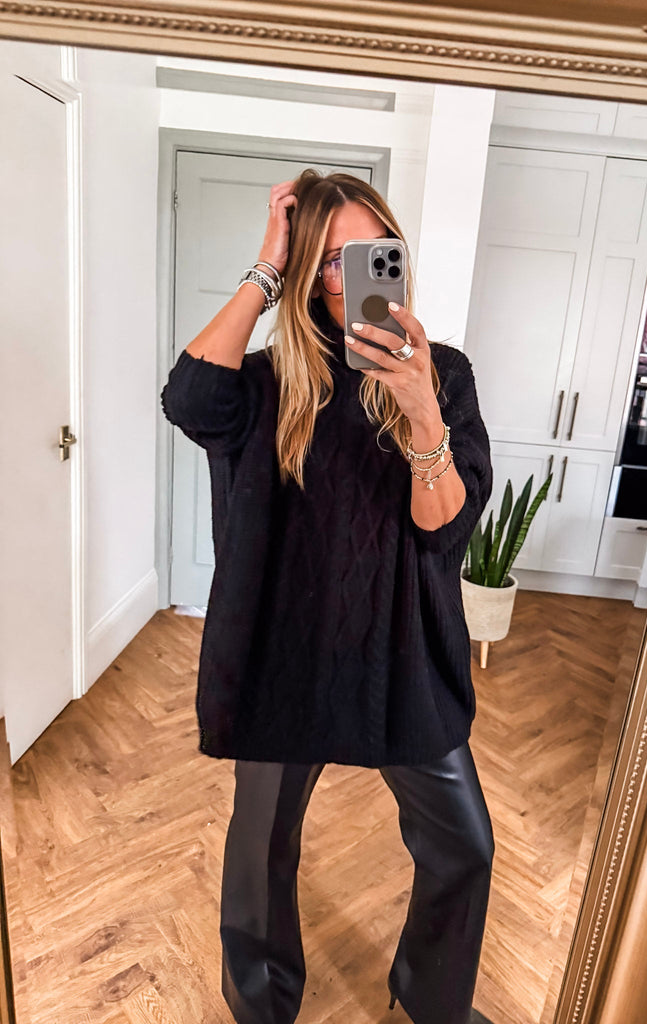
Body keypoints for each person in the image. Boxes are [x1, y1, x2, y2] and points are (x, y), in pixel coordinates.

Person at [160, 169, 494, 1024]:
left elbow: (444, 531)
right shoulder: (268, 380)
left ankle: (431, 1001)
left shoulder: (445, 375)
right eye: (333, 258)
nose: (354, 273)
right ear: (311, 273)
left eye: (374, 250)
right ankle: (263, 1006)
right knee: (260, 852)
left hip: (404, 656)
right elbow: (188, 399)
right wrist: (267, 264)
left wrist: (423, 413)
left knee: (464, 846)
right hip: (286, 656)